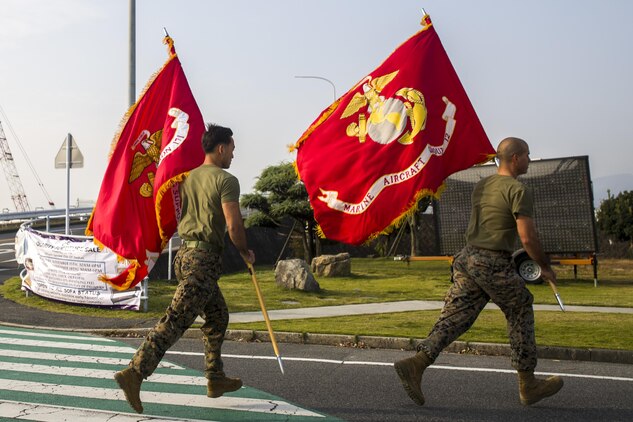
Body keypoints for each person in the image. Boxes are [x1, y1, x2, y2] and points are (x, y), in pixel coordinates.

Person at [394, 137, 563, 406]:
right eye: (528, 155)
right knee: (520, 306)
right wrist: (545, 267)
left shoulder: (482, 185)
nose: (530, 159)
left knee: (457, 317)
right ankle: (528, 384)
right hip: (492, 261)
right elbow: (528, 239)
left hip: (467, 258)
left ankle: (417, 363)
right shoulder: (518, 190)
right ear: (516, 158)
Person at [114, 123, 255, 414]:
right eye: (231, 149)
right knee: (176, 320)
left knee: (218, 316)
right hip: (202, 262)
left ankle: (215, 377)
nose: (233, 155)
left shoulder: (187, 177)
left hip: (185, 257)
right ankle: (134, 373)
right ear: (221, 148)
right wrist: (244, 251)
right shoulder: (226, 180)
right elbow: (233, 224)